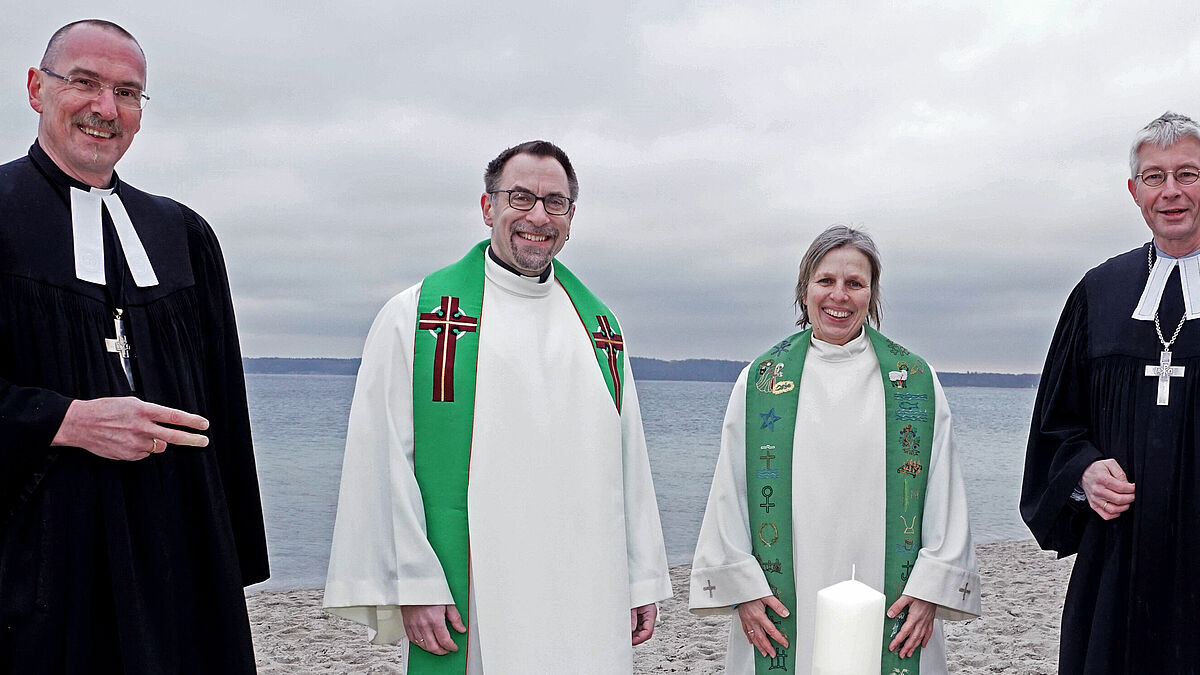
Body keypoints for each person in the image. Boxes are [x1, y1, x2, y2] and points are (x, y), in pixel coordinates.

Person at [323, 140, 671, 673]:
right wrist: (414, 583)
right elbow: (381, 459)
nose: (538, 215)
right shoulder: (418, 317)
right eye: (521, 197)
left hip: (587, 585)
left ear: (572, 218)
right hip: (480, 590)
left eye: (555, 202)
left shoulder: (600, 328)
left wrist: (641, 577)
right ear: (488, 207)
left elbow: (629, 463)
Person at [0, 20, 269, 672]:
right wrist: (65, 420)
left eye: (127, 93)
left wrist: (228, 559)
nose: (105, 108)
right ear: (37, 88)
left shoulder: (183, 234)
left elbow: (224, 412)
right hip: (43, 577)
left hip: (180, 567)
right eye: (84, 83)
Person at [690, 225, 980, 675]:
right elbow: (730, 491)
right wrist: (742, 589)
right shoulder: (761, 381)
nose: (838, 296)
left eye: (854, 283)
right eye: (825, 281)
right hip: (782, 595)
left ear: (872, 294)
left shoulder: (913, 381)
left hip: (893, 595)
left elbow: (944, 491)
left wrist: (930, 590)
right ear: (804, 289)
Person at [1022, 111, 1200, 673]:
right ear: (1134, 191)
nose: (1170, 191)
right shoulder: (1100, 293)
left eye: (1188, 174)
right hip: (1118, 559)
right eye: (1154, 177)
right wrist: (1084, 471)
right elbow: (1056, 425)